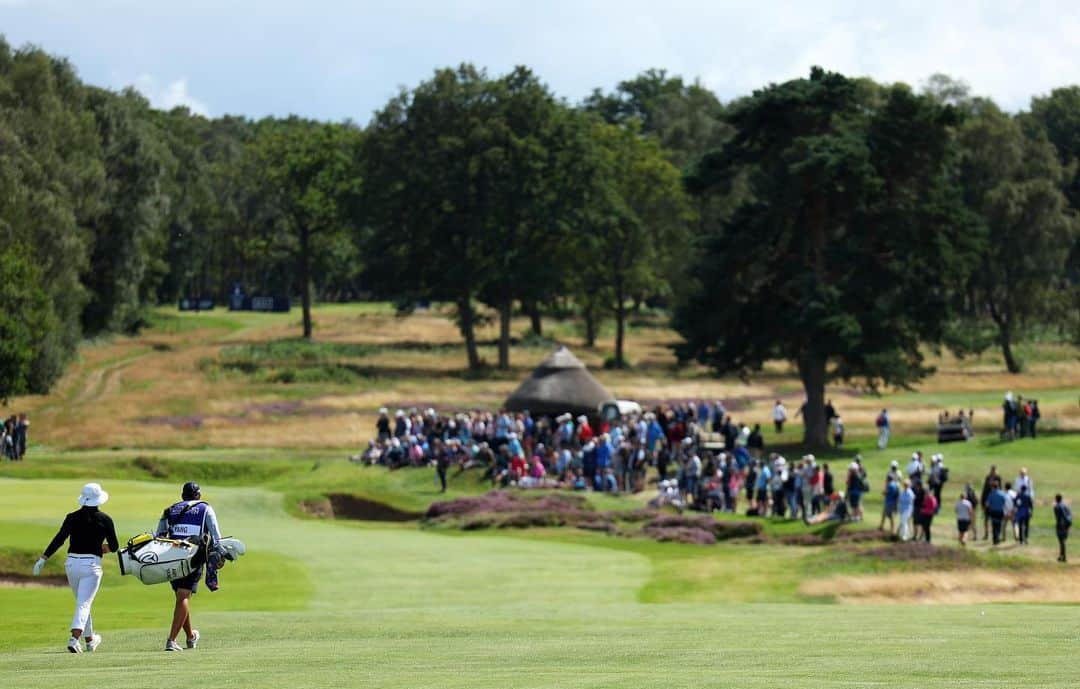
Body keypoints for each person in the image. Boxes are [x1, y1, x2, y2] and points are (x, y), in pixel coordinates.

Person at [34, 483, 118, 653]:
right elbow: (114, 546)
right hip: (91, 566)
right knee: (84, 604)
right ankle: (74, 638)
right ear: (98, 500)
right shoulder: (105, 519)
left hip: (71, 564)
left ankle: (90, 640)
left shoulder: (72, 517)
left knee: (82, 602)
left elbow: (60, 538)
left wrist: (44, 558)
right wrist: (101, 548)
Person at [156, 481, 222, 652]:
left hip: (170, 557)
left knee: (181, 597)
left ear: (182, 496)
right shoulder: (205, 508)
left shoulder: (170, 509)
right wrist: (218, 557)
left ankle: (190, 637)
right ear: (198, 495)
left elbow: (159, 536)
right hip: (193, 556)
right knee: (183, 596)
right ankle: (171, 640)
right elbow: (216, 536)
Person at [987, 481, 1008, 545]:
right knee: (999, 525)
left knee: (994, 525)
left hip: (993, 511)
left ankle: (994, 539)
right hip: (1000, 511)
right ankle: (997, 538)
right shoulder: (1002, 494)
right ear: (998, 486)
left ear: (993, 487)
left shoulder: (991, 494)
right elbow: (1005, 503)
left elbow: (987, 504)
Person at [1054, 494, 1072, 562]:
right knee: (1063, 541)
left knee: (1062, 541)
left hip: (1061, 525)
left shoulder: (1057, 507)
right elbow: (1069, 514)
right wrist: (1068, 523)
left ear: (1056, 499)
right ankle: (1061, 556)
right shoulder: (1066, 505)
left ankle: (1063, 557)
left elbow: (1058, 517)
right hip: (1066, 524)